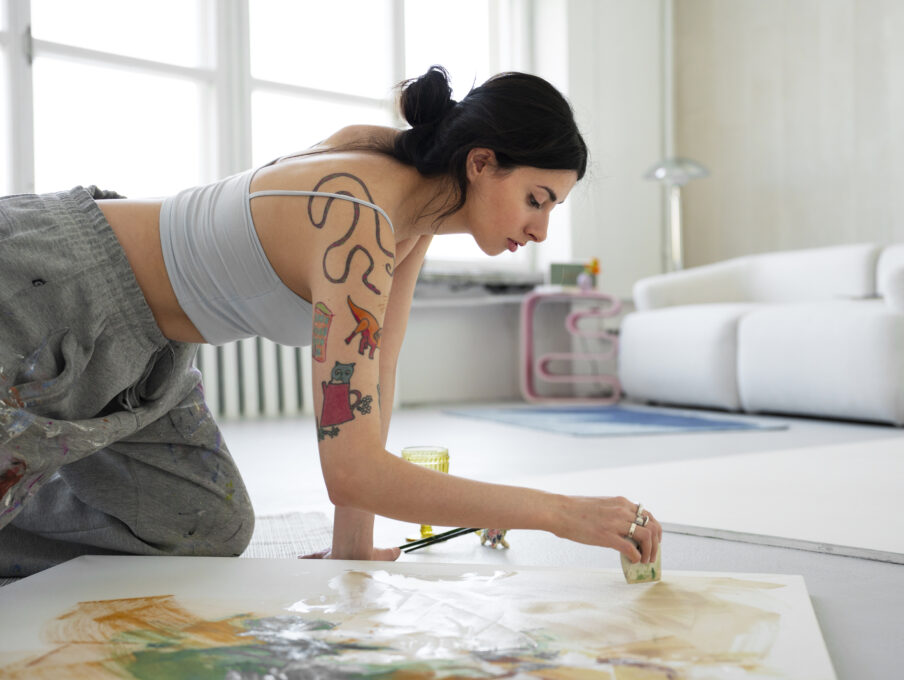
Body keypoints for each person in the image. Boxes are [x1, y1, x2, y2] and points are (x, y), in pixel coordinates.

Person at [0, 66, 661, 576]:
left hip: (150, 353)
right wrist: (561, 513)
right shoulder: (360, 221)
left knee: (204, 526)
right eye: (536, 199)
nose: (541, 229)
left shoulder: (411, 219)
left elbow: (376, 381)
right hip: (58, 288)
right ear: (482, 162)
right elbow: (353, 470)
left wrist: (352, 546)